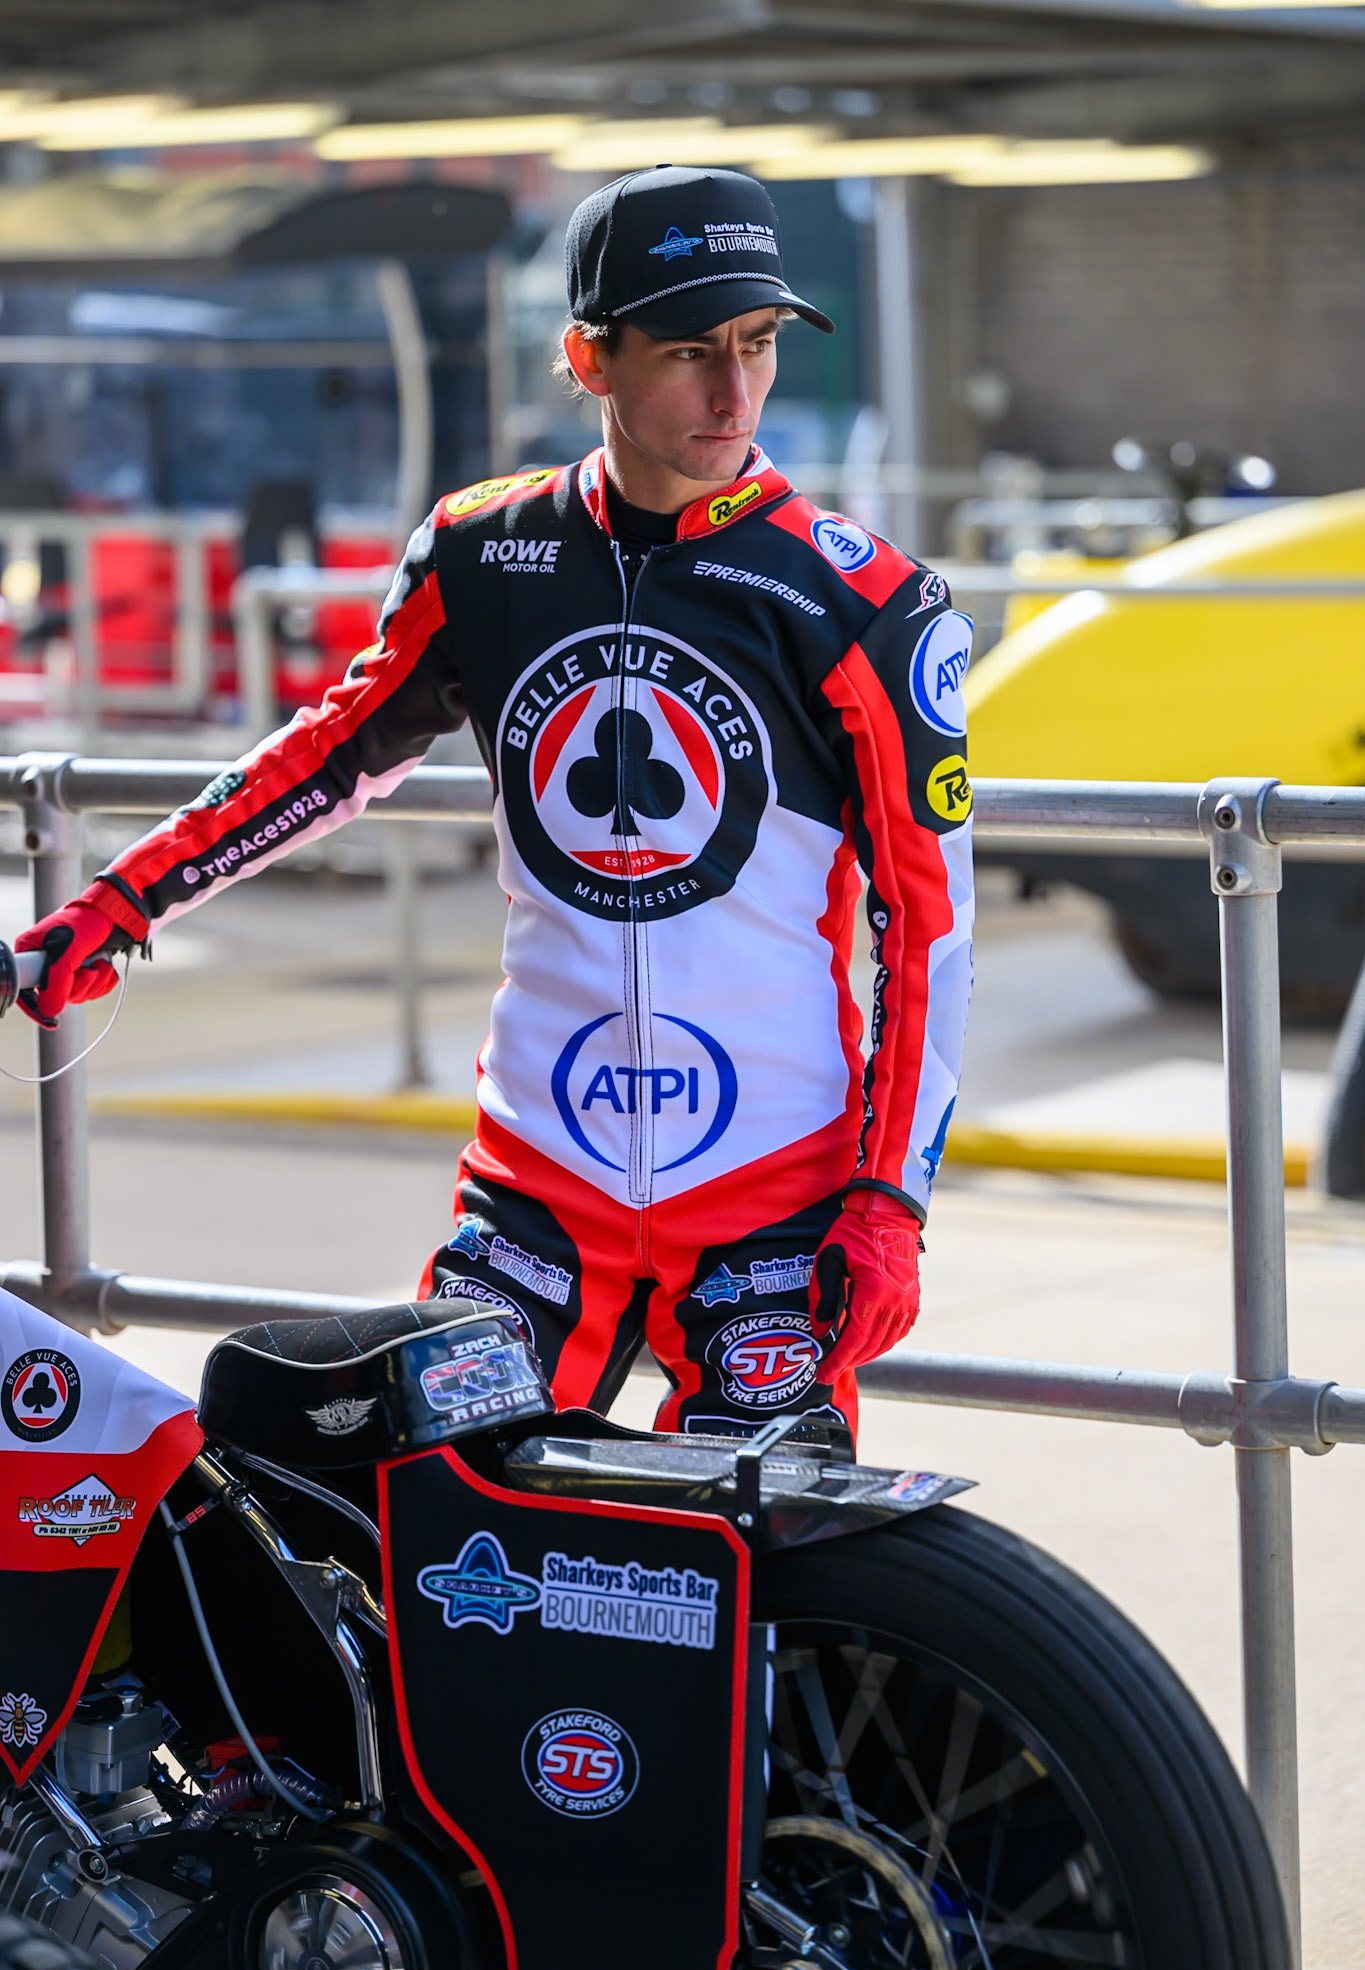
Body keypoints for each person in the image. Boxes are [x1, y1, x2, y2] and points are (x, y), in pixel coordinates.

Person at [13, 165, 974, 1446]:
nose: (734, 393)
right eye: (692, 351)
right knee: (448, 1558)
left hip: (771, 1192)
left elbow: (929, 922)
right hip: (536, 1190)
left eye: (756, 346)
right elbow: (329, 757)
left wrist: (890, 1200)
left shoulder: (862, 598)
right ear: (590, 357)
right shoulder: (483, 551)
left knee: (774, 1589)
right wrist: (132, 894)